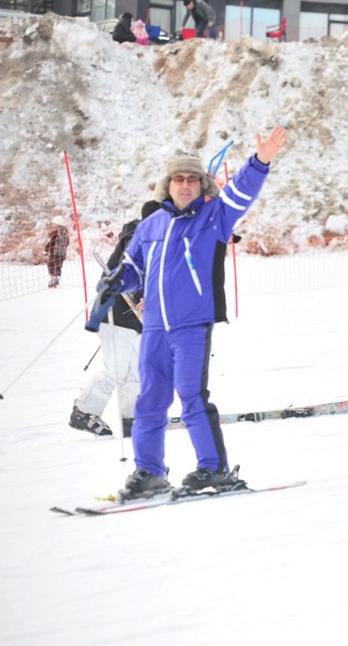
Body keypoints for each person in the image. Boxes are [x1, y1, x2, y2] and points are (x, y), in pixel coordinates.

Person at [91, 126, 288, 498]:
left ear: (201, 186)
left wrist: (260, 161)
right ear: (167, 185)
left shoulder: (213, 217)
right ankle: (148, 471)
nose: (184, 185)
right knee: (149, 401)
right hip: (153, 329)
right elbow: (133, 267)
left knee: (192, 396)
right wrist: (117, 280)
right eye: (178, 179)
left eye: (192, 180)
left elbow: (240, 194)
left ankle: (213, 469)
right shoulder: (151, 225)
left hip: (191, 326)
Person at [70, 200, 159, 437]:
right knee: (117, 370)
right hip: (114, 314)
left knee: (134, 371)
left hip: (130, 319)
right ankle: (84, 411)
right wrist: (142, 293)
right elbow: (129, 266)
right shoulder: (137, 237)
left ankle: (131, 417)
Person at [45, 215, 70, 288]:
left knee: (51, 264)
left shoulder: (56, 232)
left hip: (54, 252)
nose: (52, 225)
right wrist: (62, 248)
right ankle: (57, 277)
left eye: (53, 223)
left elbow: (51, 242)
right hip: (62, 254)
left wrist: (46, 249)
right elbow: (67, 242)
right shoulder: (65, 232)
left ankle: (53, 277)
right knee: (58, 266)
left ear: (57, 224)